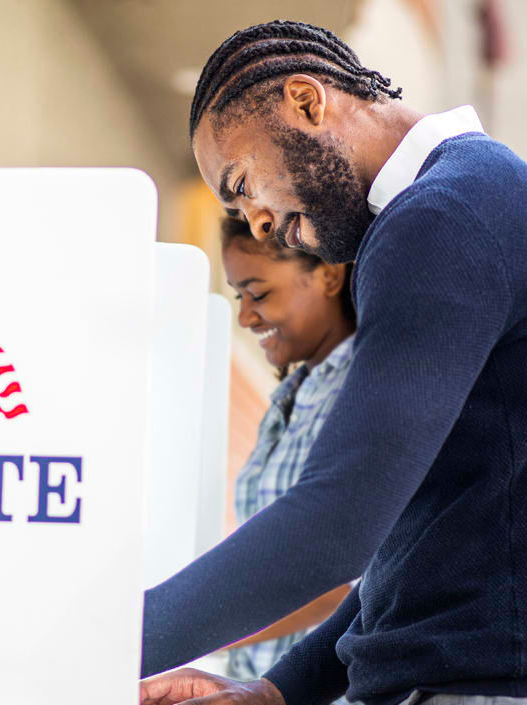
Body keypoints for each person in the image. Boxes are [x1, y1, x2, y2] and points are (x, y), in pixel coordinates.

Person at [139, 20, 527, 705]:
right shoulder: (461, 202)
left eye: (244, 183)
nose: (256, 222)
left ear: (307, 102)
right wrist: (278, 690)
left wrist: (107, 637)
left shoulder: (443, 218)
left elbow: (336, 522)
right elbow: (416, 545)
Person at [217, 216, 354, 702]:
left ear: (329, 275)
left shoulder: (361, 393)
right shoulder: (293, 392)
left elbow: (344, 584)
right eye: (239, 297)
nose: (245, 318)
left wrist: (192, 631)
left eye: (259, 293)